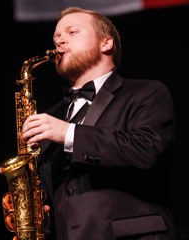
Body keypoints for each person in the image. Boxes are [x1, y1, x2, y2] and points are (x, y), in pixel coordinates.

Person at [21, 7, 176, 240]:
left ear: (106, 43)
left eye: (72, 32)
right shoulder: (51, 116)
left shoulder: (147, 92)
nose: (59, 41)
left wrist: (69, 133)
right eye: (56, 38)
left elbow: (146, 150)